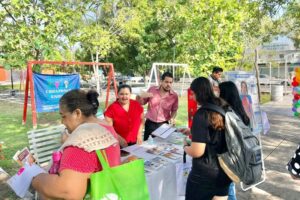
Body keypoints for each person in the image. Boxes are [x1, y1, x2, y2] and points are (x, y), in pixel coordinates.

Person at [31, 89, 121, 199]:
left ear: (77, 113)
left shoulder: (81, 141)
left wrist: (35, 179)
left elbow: (67, 191)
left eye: (63, 116)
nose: (62, 122)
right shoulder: (106, 127)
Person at [183, 77, 231, 200]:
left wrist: (185, 146)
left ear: (198, 93)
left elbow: (197, 152)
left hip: (204, 175)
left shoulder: (202, 114)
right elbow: (215, 132)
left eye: (192, 94)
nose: (192, 98)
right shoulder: (223, 106)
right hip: (225, 171)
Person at [219, 81, 251, 200]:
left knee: (228, 190)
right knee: (230, 187)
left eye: (219, 92)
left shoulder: (227, 114)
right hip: (240, 157)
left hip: (229, 158)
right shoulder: (241, 112)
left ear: (224, 95)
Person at [137, 71, 178, 141]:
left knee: (161, 147)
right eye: (166, 82)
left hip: (163, 125)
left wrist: (172, 118)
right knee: (146, 147)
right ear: (161, 81)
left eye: (170, 82)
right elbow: (142, 102)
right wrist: (139, 96)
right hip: (150, 123)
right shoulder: (152, 89)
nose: (168, 84)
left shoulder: (174, 96)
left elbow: (174, 110)